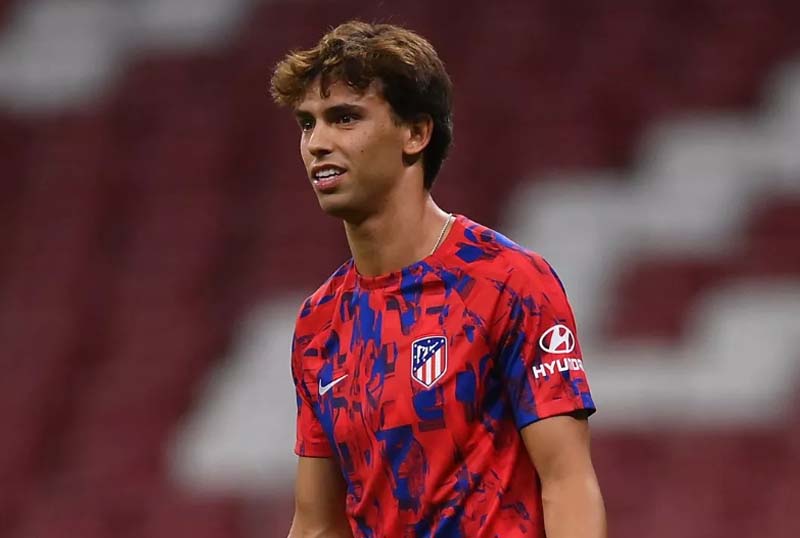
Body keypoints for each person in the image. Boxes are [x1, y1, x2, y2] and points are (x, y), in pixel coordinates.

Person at [270, 20, 606, 538]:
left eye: (344, 117)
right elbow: (317, 525)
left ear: (416, 133)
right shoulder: (320, 321)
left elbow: (568, 484)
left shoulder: (507, 281)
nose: (317, 143)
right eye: (307, 123)